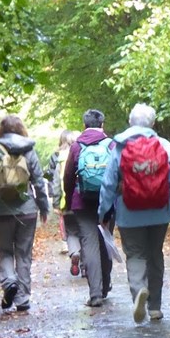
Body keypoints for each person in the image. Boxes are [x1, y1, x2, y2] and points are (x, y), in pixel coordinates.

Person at [98, 103, 170, 323]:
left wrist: (103, 213)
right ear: (153, 123)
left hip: (129, 213)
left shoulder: (119, 147)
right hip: (160, 212)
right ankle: (155, 307)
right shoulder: (164, 146)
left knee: (136, 254)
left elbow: (108, 183)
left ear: (130, 122)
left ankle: (139, 290)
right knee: (155, 254)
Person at [0, 114, 49, 311]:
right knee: (24, 254)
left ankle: (9, 282)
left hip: (2, 210)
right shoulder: (29, 151)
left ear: (1, 130)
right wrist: (44, 207)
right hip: (27, 210)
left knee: (5, 250)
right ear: (21, 130)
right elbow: (38, 182)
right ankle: (23, 299)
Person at [62, 109, 114, 307]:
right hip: (107, 202)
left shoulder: (77, 146)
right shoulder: (111, 144)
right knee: (105, 241)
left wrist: (68, 200)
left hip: (82, 202)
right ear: (102, 124)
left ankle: (95, 294)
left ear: (84, 125)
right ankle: (105, 285)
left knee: (89, 245)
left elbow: (68, 177)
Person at [48, 130, 83, 276]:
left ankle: (74, 252)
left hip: (66, 201)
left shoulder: (59, 157)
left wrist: (56, 203)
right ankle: (86, 267)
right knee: (86, 233)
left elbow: (55, 182)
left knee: (72, 232)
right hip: (84, 200)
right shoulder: (83, 153)